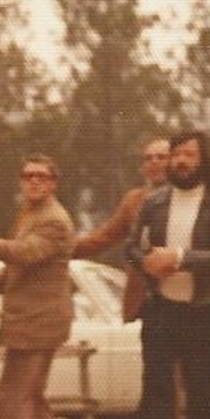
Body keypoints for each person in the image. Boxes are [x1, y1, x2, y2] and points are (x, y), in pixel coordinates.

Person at [125, 130, 210, 419]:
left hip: (204, 307)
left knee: (201, 387)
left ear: (204, 160)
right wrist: (146, 262)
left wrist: (179, 258)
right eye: (176, 154)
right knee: (156, 386)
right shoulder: (154, 201)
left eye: (189, 154)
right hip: (161, 306)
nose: (180, 161)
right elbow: (131, 247)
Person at [0, 153, 77, 419]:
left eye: (41, 177)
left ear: (53, 183)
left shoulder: (53, 219)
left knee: (13, 394)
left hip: (38, 320)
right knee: (30, 393)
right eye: (28, 176)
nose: (33, 182)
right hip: (32, 317)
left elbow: (26, 253)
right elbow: (23, 261)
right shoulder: (31, 214)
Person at [74, 137, 169, 324]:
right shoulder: (134, 200)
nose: (154, 162)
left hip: (182, 296)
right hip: (144, 299)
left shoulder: (190, 199)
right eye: (148, 158)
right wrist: (59, 247)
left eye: (161, 157)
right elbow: (102, 238)